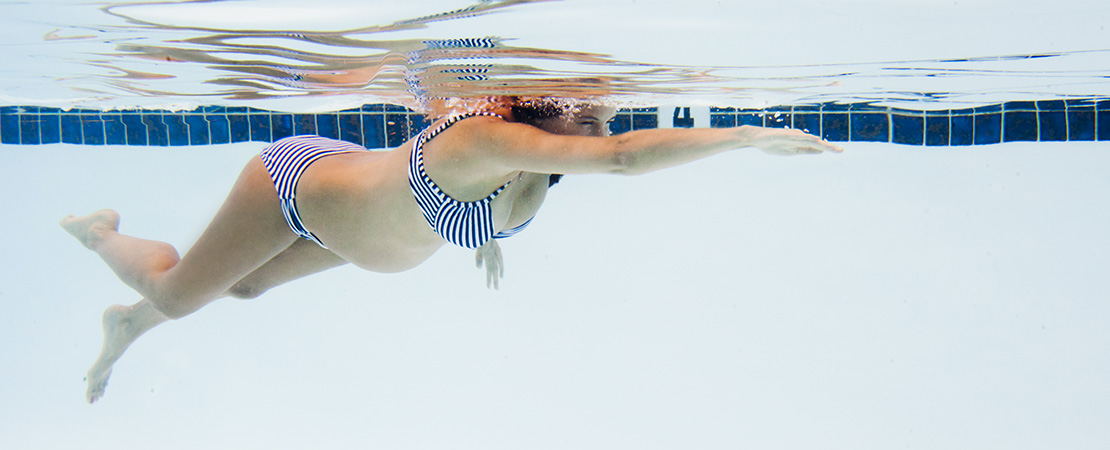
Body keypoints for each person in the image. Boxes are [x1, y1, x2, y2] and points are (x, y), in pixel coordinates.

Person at [60, 97, 843, 403]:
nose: (600, 127)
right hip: (293, 191)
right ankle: (105, 237)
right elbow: (627, 158)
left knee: (243, 290)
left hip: (348, 220)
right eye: (587, 118)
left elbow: (600, 158)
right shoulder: (480, 139)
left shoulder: (541, 168)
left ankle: (130, 324)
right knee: (178, 294)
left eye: (600, 117)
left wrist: (486, 240)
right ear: (535, 118)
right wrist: (745, 135)